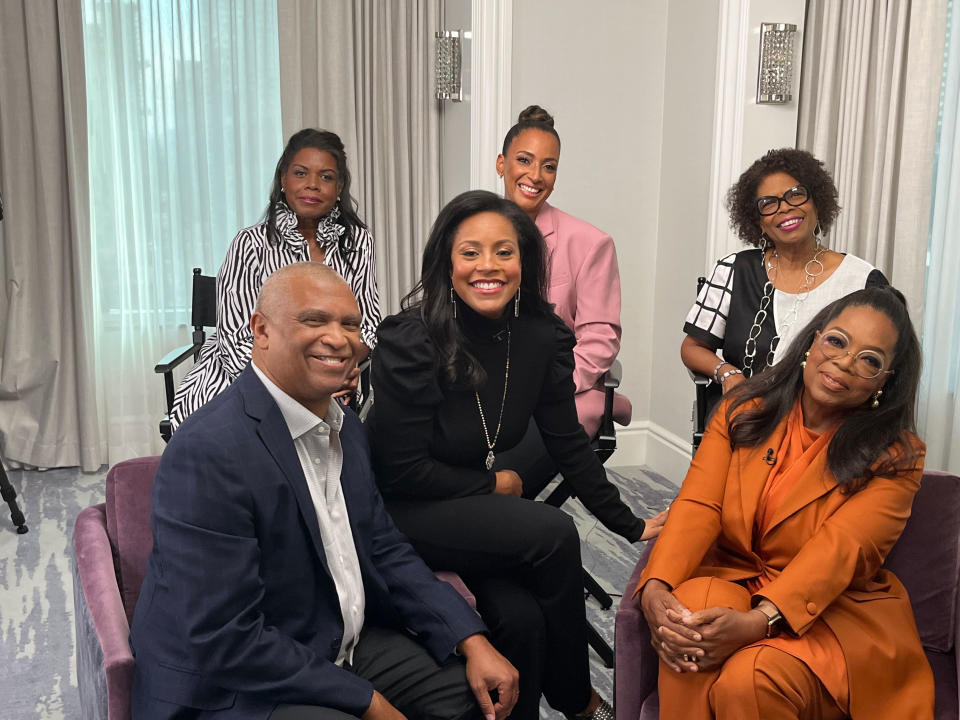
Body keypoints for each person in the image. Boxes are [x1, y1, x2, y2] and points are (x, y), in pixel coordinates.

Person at [130, 262, 518, 720]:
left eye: (350, 324)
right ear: (262, 331)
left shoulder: (347, 427)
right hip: (235, 683)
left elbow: (382, 545)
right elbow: (225, 637)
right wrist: (369, 702)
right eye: (314, 320)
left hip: (332, 638)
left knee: (470, 696)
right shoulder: (208, 451)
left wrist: (469, 638)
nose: (339, 339)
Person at [366, 190, 666, 720]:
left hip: (462, 504)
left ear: (526, 261)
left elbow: (565, 436)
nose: (489, 267)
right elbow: (398, 471)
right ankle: (578, 699)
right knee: (550, 532)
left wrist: (628, 522)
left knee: (521, 617)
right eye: (471, 252)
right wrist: (494, 486)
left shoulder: (540, 334)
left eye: (504, 252)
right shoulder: (413, 339)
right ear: (447, 262)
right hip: (398, 511)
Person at [638, 286, 933, 719]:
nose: (845, 362)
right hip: (736, 577)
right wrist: (656, 585)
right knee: (690, 615)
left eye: (870, 360)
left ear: (884, 382)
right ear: (813, 341)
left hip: (830, 612)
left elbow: (841, 548)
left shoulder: (897, 455)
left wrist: (762, 621)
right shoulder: (743, 409)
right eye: (837, 340)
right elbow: (700, 505)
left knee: (751, 677)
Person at [170, 128, 382, 430]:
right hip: (250, 375)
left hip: (331, 374)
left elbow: (369, 326)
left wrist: (345, 365)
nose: (312, 185)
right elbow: (237, 339)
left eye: (326, 177)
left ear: (339, 187)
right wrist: (296, 386)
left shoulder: (359, 242)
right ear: (283, 179)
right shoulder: (250, 243)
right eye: (300, 173)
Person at [492, 105, 629, 494]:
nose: (535, 176)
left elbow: (601, 337)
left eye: (548, 166)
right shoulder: (472, 230)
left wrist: (548, 388)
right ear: (501, 164)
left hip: (558, 393)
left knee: (502, 484)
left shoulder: (589, 243)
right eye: (524, 161)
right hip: (482, 389)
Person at [681, 148, 887, 402]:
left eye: (796, 195)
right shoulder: (734, 269)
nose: (785, 208)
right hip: (744, 416)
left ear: (817, 203)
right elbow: (692, 348)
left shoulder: (862, 280)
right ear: (758, 222)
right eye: (768, 203)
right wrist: (727, 373)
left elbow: (878, 367)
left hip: (826, 425)